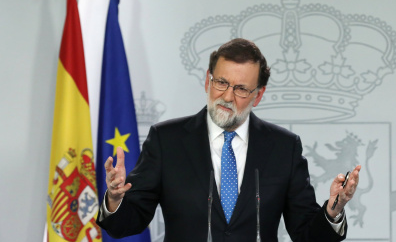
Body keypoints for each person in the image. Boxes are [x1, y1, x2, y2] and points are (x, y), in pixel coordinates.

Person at [97, 38, 361, 241]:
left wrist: (333, 211)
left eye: (241, 89)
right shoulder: (167, 140)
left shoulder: (284, 148)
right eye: (221, 82)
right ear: (207, 81)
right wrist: (115, 199)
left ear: (258, 95)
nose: (227, 96)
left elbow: (306, 234)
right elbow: (125, 225)